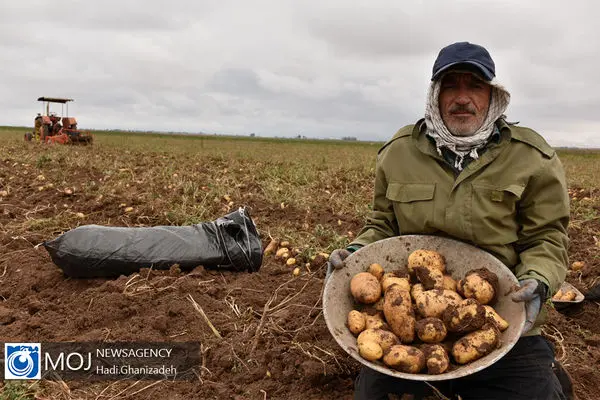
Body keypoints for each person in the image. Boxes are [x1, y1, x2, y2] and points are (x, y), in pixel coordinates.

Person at [328, 42, 572, 400]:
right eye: (451, 85)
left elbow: (548, 237)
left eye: (474, 85)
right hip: (402, 320)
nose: (462, 98)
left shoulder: (531, 157)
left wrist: (538, 278)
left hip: (500, 312)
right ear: (435, 94)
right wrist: (355, 251)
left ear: (492, 95)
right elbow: (382, 225)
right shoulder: (398, 153)